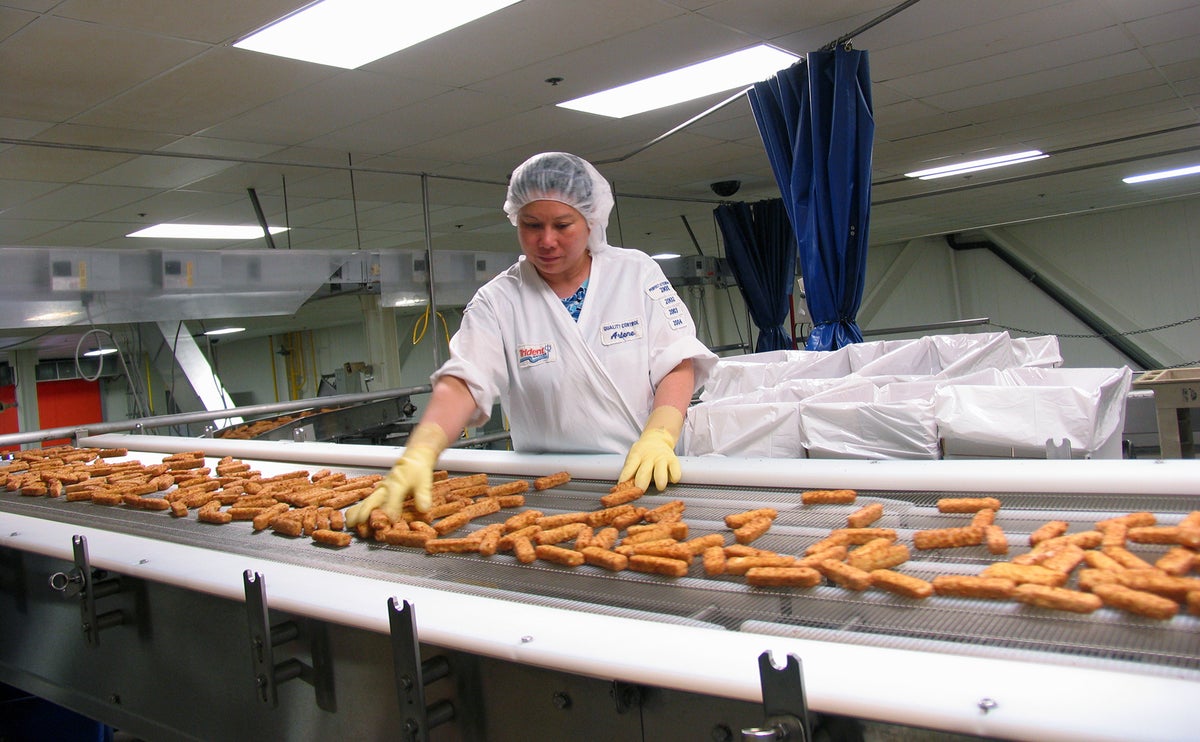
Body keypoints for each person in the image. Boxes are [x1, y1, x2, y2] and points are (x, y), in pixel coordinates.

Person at [347, 152, 717, 526]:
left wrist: (660, 435)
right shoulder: (499, 300)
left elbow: (677, 360)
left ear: (591, 220)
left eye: (562, 224)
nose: (546, 240)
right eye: (531, 225)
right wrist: (421, 450)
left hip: (648, 472)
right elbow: (464, 379)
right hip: (552, 490)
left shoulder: (634, 272)